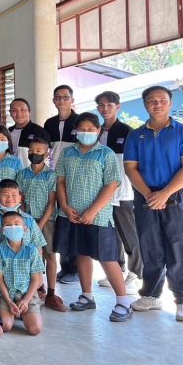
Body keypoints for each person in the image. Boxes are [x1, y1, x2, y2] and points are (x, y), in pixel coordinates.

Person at [124, 86, 183, 321]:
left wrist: (165, 193)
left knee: (179, 247)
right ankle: (151, 294)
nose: (156, 104)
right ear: (145, 104)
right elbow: (131, 168)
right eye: (151, 101)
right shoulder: (136, 135)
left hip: (177, 196)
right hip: (146, 196)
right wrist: (150, 194)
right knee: (150, 246)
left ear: (170, 103)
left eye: (161, 100)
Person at [54, 112, 131, 322]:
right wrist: (65, 206)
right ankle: (87, 295)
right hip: (72, 214)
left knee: (107, 258)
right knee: (82, 254)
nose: (86, 133)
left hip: (98, 216)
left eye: (91, 129)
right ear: (76, 131)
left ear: (99, 131)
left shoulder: (106, 154)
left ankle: (124, 302)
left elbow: (112, 184)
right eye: (82, 129)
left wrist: (92, 211)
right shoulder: (68, 153)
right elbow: (60, 180)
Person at [95, 91, 142, 293]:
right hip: (103, 192)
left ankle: (137, 273)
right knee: (111, 233)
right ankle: (118, 269)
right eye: (101, 105)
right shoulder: (96, 132)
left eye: (109, 105)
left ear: (118, 107)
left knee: (128, 233)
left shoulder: (128, 132)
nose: (105, 108)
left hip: (123, 192)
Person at [16, 137, 65, 311]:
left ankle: (51, 292)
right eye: (31, 150)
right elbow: (20, 199)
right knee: (31, 256)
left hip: (48, 221)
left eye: (39, 151)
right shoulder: (22, 174)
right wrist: (24, 219)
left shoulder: (51, 175)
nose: (34, 153)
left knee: (50, 255)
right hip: (26, 221)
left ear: (46, 153)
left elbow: (52, 202)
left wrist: (41, 223)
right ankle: (36, 288)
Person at [44, 84, 80, 285]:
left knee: (69, 222)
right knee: (56, 223)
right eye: (58, 97)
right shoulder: (49, 123)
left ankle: (72, 268)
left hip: (71, 179)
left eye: (65, 97)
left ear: (72, 99)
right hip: (52, 177)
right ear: (53, 100)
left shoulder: (80, 122)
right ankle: (60, 266)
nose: (62, 100)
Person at [0, 212, 44, 336]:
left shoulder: (32, 250)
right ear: (3, 230)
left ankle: (25, 310)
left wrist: (26, 300)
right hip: (6, 296)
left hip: (28, 294)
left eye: (17, 224)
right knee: (5, 326)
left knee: (35, 329)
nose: (13, 228)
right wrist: (9, 301)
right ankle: (12, 311)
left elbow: (35, 280)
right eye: (8, 225)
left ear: (25, 228)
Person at [0, 179, 46, 252]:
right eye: (5, 195)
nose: (10, 198)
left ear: (20, 198)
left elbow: (38, 246)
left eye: (14, 195)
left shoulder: (29, 219)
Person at [8, 98, 49, 167]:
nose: (18, 114)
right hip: (11, 173)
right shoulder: (8, 132)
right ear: (10, 113)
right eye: (14, 110)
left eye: (22, 110)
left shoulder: (40, 132)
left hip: (31, 175)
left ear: (29, 112)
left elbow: (48, 159)